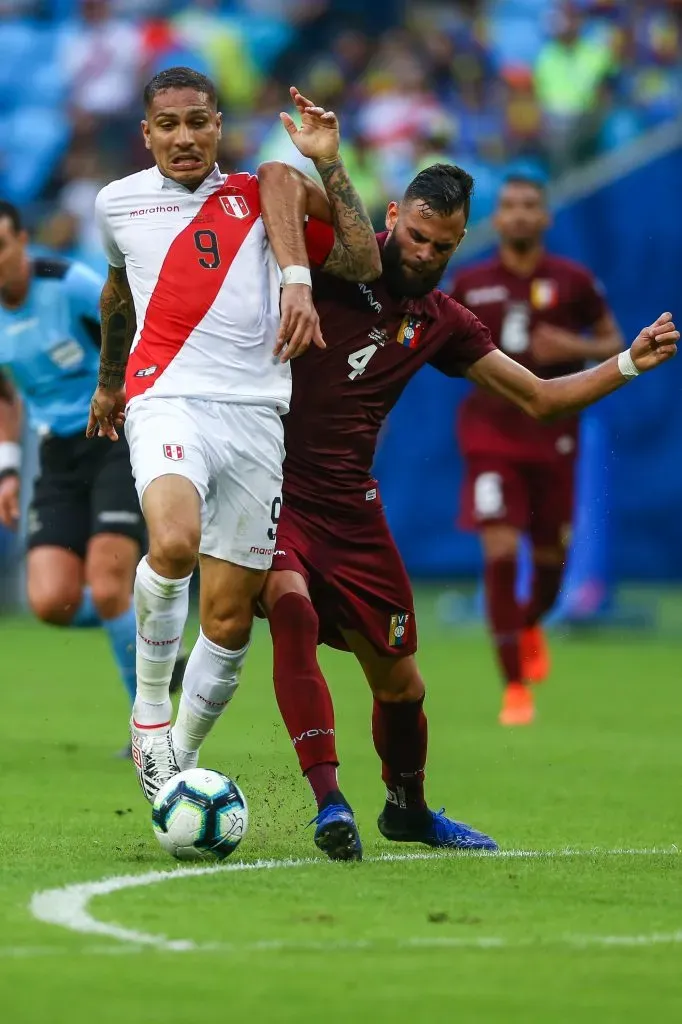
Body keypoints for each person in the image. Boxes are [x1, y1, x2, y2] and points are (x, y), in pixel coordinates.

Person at [247, 162, 673, 862]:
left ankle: (408, 811)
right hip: (273, 488)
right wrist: (323, 175)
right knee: (288, 607)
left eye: (441, 246)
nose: (424, 254)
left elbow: (539, 395)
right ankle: (329, 802)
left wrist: (626, 363)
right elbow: (274, 181)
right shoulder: (333, 260)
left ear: (458, 241)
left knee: (402, 683)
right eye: (415, 236)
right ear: (391, 218)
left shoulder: (441, 321)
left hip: (353, 508)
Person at [88, 68, 381, 802]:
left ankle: (173, 767)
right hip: (167, 400)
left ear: (218, 124)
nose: (184, 138)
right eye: (168, 125)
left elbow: (362, 260)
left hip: (255, 416)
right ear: (146, 133)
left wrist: (329, 161)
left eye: (197, 121)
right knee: (175, 543)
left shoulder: (262, 196)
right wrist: (107, 380)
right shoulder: (116, 203)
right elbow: (119, 289)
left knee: (226, 618)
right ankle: (150, 714)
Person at [451, 176, 623, 727]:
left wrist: (572, 347)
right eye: (509, 207)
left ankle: (529, 625)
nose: (520, 215)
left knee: (550, 567)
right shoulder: (470, 282)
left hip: (555, 436)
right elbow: (431, 337)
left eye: (530, 206)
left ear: (545, 218)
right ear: (495, 220)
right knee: (500, 551)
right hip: (492, 435)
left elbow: (614, 342)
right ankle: (515, 687)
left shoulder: (573, 281)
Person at [0, 200, 160, 740]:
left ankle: (149, 726)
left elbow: (134, 330)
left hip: (113, 436)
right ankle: (153, 638)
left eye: (1, 246)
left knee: (108, 581)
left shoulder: (69, 284)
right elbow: (3, 397)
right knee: (49, 601)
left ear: (23, 240)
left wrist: (127, 398)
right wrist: (8, 469)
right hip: (56, 456)